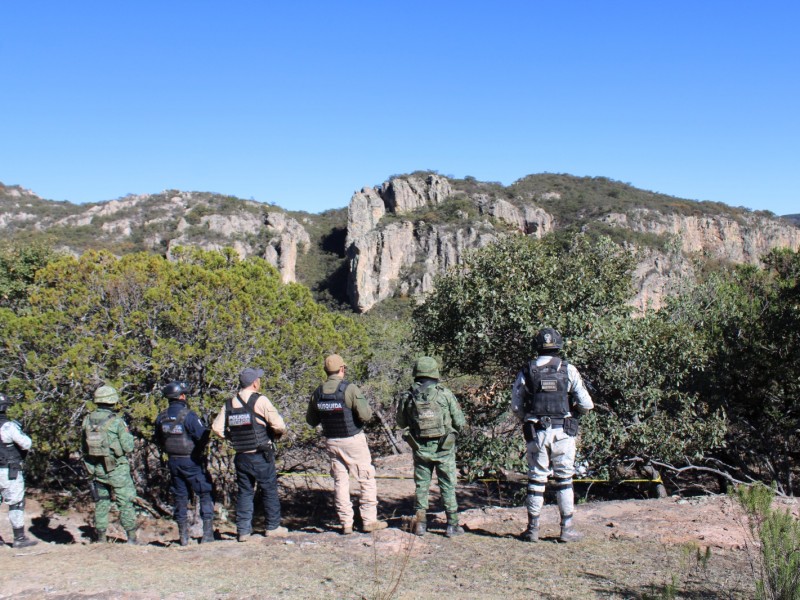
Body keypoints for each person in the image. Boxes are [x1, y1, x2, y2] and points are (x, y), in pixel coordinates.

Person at [511, 328, 594, 543]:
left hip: (537, 431)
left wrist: (527, 418)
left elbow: (516, 405)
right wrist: (574, 412)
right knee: (565, 479)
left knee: (536, 478)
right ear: (559, 345)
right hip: (563, 432)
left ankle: (533, 529)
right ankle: (567, 528)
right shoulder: (568, 369)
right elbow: (587, 404)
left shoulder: (527, 370)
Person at [306, 354, 388, 534]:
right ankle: (368, 520)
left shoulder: (318, 392)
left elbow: (311, 421)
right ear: (342, 369)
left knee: (340, 482)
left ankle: (346, 523)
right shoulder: (349, 389)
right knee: (365, 479)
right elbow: (365, 415)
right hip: (352, 440)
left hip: (332, 441)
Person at [212, 367, 287, 541]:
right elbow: (279, 425)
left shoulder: (230, 404)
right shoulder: (260, 400)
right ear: (254, 383)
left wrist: (231, 437)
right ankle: (273, 527)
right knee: (269, 490)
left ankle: (243, 531)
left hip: (241, 455)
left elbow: (216, 428)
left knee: (245, 492)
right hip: (260, 454)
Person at [396, 357, 466, 538]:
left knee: (422, 485)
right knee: (448, 485)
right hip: (444, 448)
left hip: (420, 448)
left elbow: (400, 422)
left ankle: (420, 524)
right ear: (435, 373)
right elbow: (459, 422)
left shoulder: (408, 396)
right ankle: (452, 525)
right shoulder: (445, 394)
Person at [154, 381, 215, 546]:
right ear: (181, 396)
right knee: (205, 492)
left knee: (180, 496)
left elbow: (158, 439)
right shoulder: (189, 415)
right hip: (191, 460)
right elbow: (202, 437)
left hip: (173, 461)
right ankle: (207, 534)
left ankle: (183, 537)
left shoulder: (162, 417)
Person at [82, 385, 140, 544]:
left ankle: (101, 537)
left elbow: (83, 447)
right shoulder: (116, 422)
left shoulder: (87, 419)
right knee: (125, 502)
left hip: (97, 468)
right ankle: (132, 538)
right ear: (113, 401)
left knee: (101, 502)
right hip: (117, 470)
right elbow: (128, 447)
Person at [0, 393, 38, 548]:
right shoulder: (9, 426)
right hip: (10, 471)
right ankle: (19, 538)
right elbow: (27, 444)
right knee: (16, 503)